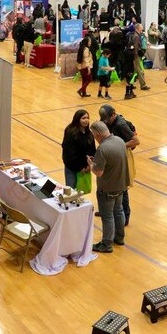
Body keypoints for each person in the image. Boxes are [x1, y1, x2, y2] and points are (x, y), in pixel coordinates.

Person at [87, 121, 128, 254]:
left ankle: (106, 243)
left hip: (107, 188)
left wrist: (91, 164)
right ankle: (120, 238)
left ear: (98, 134)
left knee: (107, 215)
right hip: (121, 185)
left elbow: (98, 172)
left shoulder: (103, 148)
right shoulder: (120, 140)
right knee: (119, 210)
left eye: (94, 135)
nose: (94, 138)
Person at [98, 104, 139, 226]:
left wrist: (117, 145)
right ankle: (107, 210)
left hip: (122, 156)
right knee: (108, 182)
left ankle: (125, 216)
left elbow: (136, 141)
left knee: (122, 187)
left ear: (114, 114)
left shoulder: (121, 124)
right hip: (112, 155)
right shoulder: (106, 120)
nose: (106, 122)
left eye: (108, 119)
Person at [61, 109, 95, 187]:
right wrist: (80, 168)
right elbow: (69, 154)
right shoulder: (71, 133)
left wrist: (90, 165)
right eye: (83, 118)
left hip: (85, 168)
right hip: (72, 168)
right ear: (77, 119)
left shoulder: (89, 134)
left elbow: (93, 150)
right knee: (71, 192)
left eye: (87, 118)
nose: (86, 120)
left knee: (81, 193)